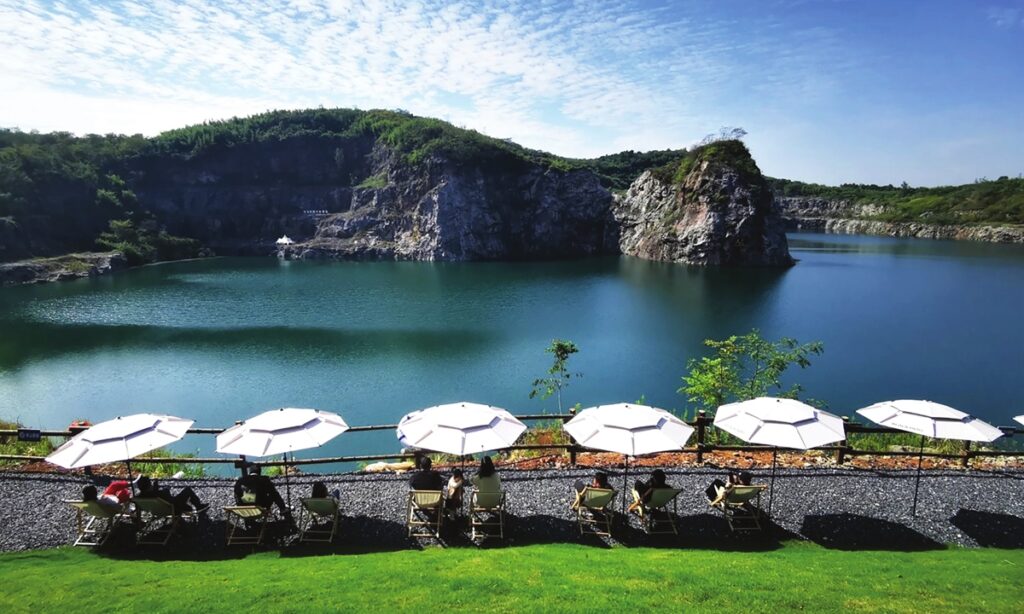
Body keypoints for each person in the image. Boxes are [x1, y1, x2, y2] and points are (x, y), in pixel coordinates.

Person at [136, 476, 209, 514]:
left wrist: (156, 488)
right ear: (148, 486)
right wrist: (165, 489)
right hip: (173, 508)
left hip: (156, 511)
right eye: (150, 484)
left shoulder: (139, 497)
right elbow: (167, 496)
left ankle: (189, 507)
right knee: (187, 490)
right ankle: (198, 506)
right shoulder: (156, 494)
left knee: (185, 504)